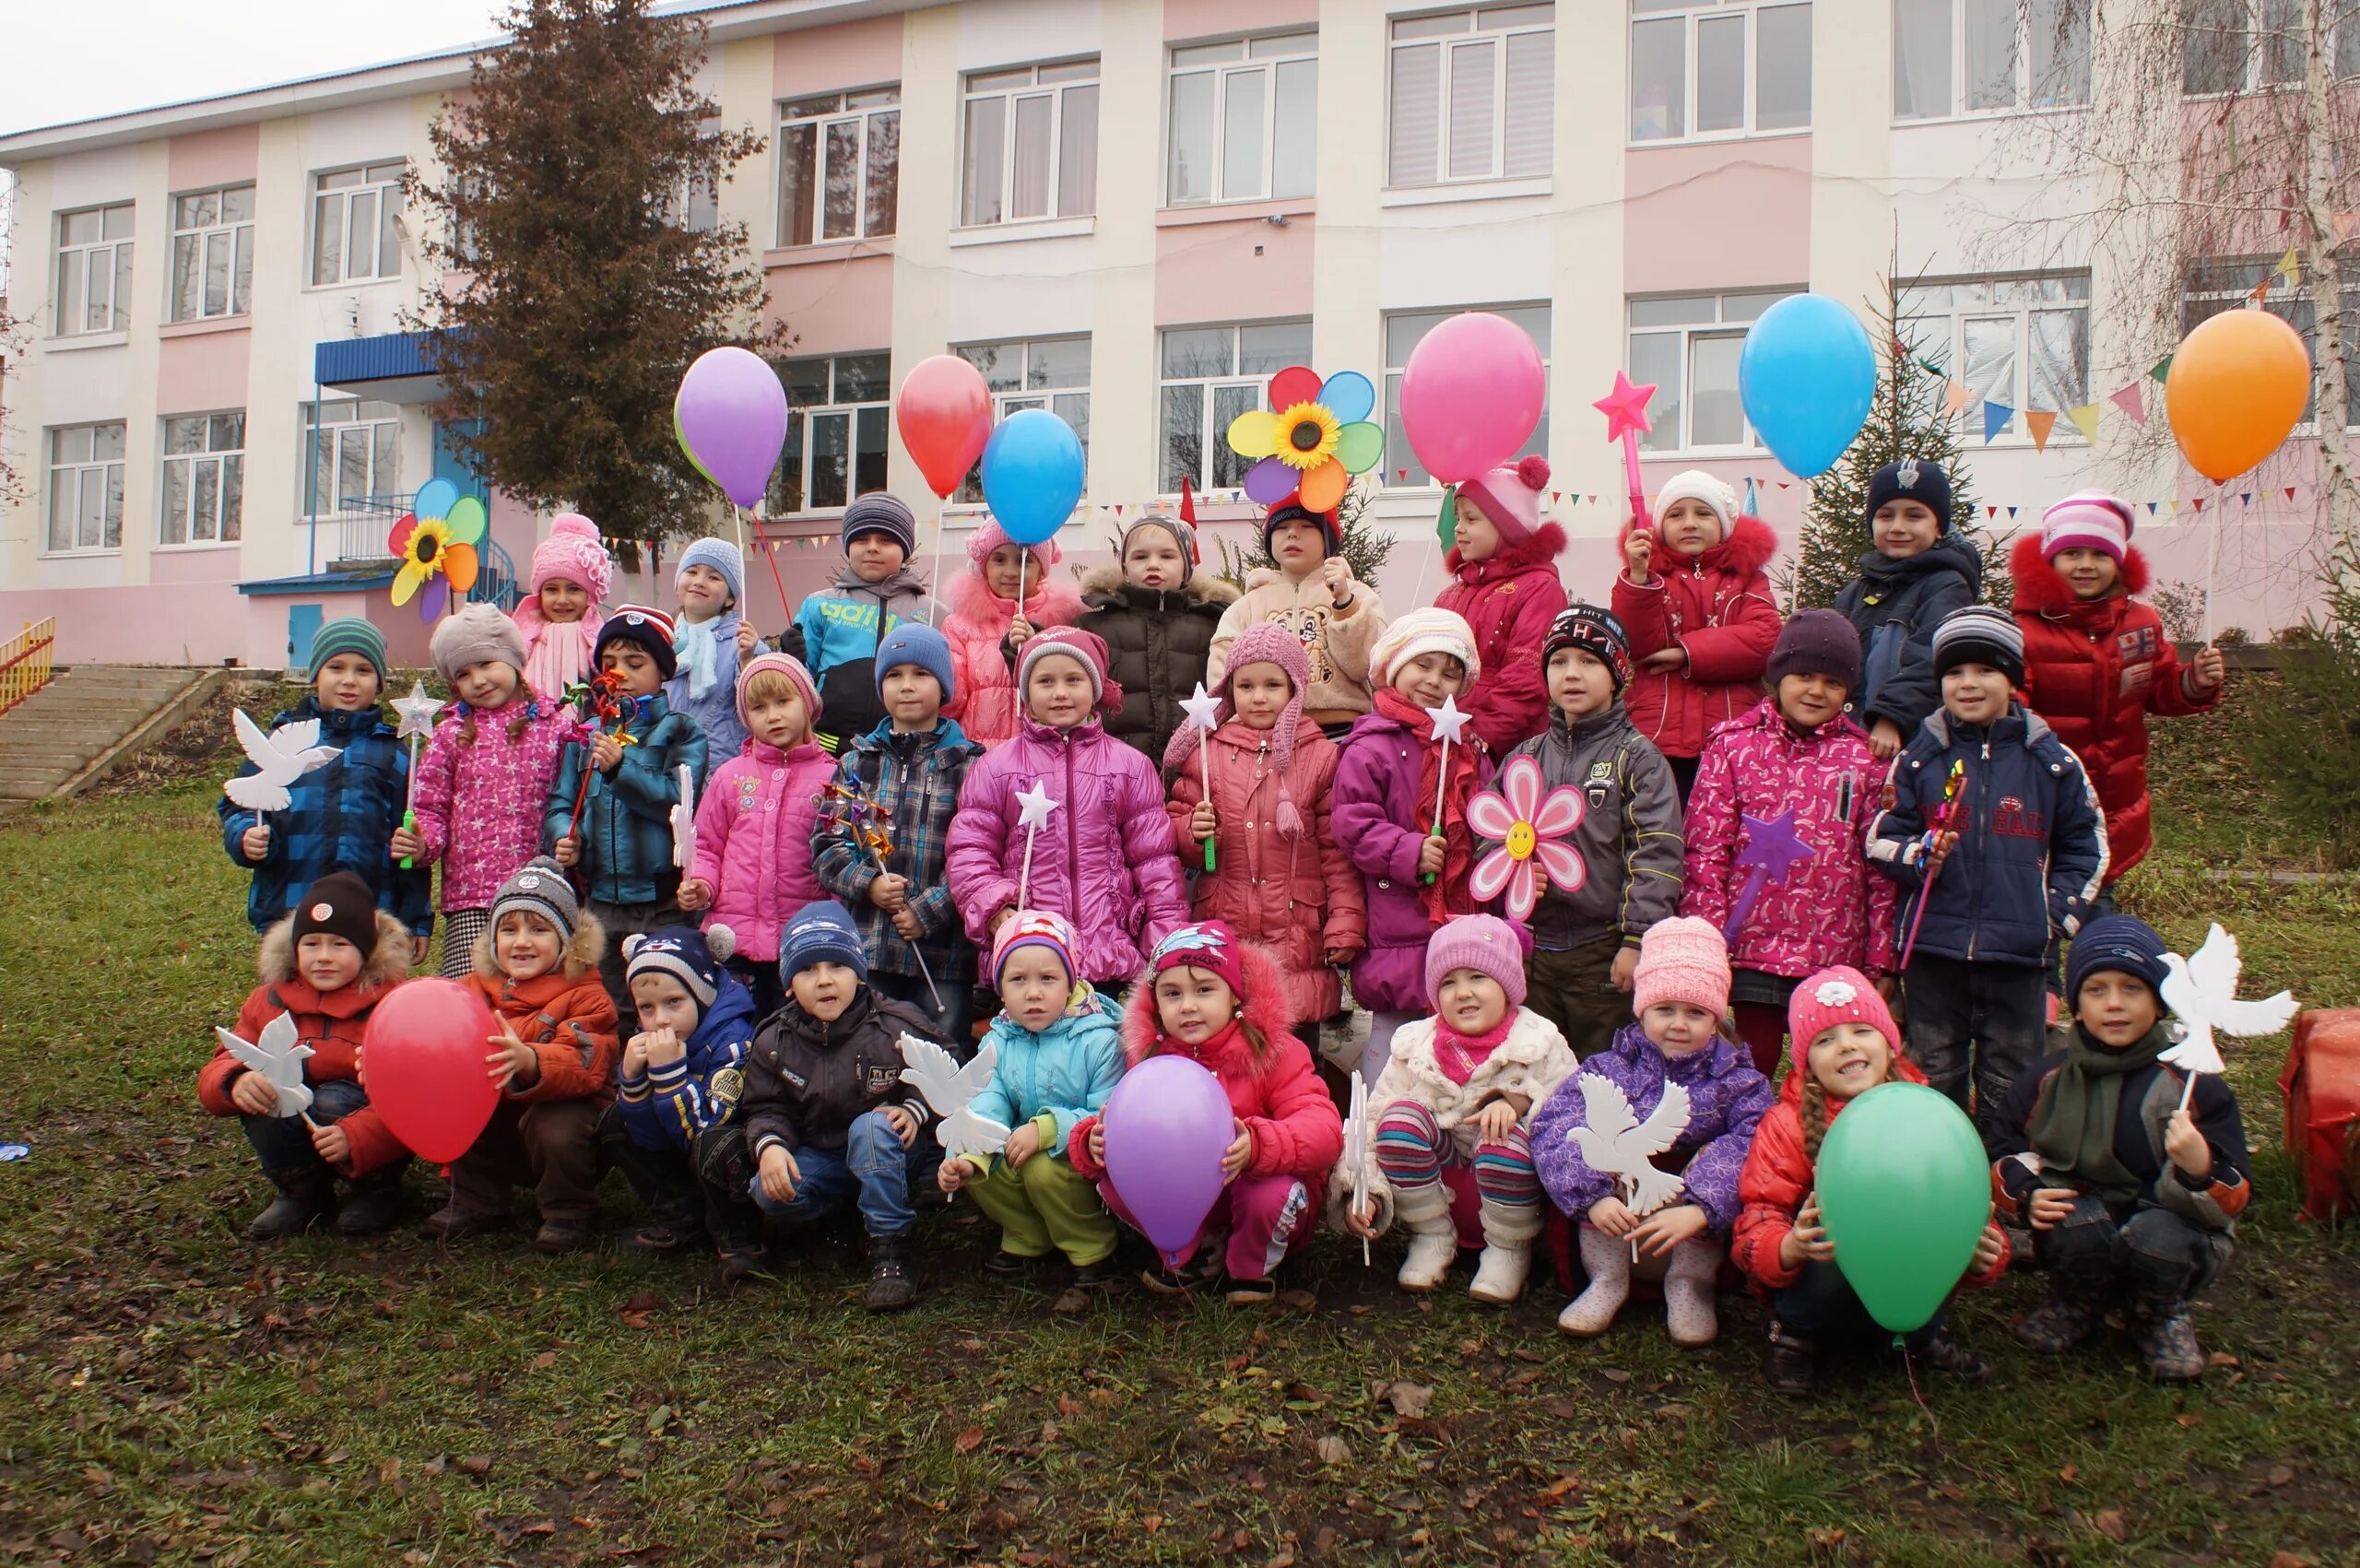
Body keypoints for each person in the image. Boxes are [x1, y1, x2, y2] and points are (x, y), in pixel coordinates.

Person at [1870, 606, 2107, 1146]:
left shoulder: (2051, 762)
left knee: (2014, 1073)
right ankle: (1937, 1163)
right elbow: (1880, 838)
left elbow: (2087, 844)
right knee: (1934, 1068)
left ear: (2013, 679)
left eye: (1985, 671)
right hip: (1935, 951)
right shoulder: (1919, 759)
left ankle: (2004, 1172)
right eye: (1954, 673)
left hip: (2020, 955)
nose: (1968, 684)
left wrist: (2053, 917)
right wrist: (1919, 854)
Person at [1992, 917, 2252, 1382]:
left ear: (2160, 1000)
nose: (2114, 1004)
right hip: (2085, 1223)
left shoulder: (2191, 1083)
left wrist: (2201, 1168)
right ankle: (2076, 1301)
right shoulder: (2049, 1077)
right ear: (2076, 1002)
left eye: (2132, 988)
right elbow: (2002, 1148)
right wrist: (2028, 1193)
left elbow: (2234, 1192)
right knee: (2073, 1218)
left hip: (2168, 1226)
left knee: (2160, 1236)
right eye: (2097, 990)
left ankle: (2158, 1314)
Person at [1730, 968, 2009, 1397]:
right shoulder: (1786, 1125)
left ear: (1889, 1044)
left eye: (1861, 1030)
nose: (1846, 1046)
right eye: (1825, 1040)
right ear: (1806, 1061)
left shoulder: (1929, 1116)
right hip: (1823, 1286)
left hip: (1909, 1282)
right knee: (1834, 1218)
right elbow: (1758, 1216)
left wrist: (1983, 1253)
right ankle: (1794, 1337)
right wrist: (1788, 1247)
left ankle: (1921, 1334)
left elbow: (1964, 1204)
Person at [2011, 492, 2226, 989]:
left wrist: (2196, 681)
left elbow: (2160, 689)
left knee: (2096, 902)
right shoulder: (2024, 629)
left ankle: (2105, 999)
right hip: (2040, 799)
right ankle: (2037, 1013)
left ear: (2119, 560)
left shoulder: (2142, 625)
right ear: (2049, 559)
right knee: (2035, 906)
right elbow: (2012, 707)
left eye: (2100, 554)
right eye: (2072, 553)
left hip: (2112, 800)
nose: (2086, 565)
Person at [1069, 922, 1342, 1303]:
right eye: (1172, 993)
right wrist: (1093, 1143)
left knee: (1266, 1192)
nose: (1188, 1006)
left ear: (1234, 995)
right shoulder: (1150, 1059)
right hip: (1194, 1204)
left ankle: (1251, 1268)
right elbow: (1128, 1126)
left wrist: (1261, 1146)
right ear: (1157, 1004)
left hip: (1259, 1196)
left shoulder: (1275, 1053)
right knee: (1114, 1181)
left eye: (1204, 990)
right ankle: (1190, 1252)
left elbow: (1325, 1130)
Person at [1534, 917, 1774, 1345]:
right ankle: (1606, 1280)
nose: (1679, 1024)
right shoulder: (1608, 1068)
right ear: (1643, 1009)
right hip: (1616, 1220)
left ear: (1717, 1017)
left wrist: (1702, 1206)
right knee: (1597, 1142)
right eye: (1665, 1009)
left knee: (1713, 1157)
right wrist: (1592, 1197)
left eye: (1696, 1012)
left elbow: (1753, 1142)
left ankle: (1689, 1285)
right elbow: (1556, 1125)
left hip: (1690, 1227)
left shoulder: (1740, 1082)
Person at [1680, 610, 1896, 1076]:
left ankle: (1814, 1145)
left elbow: (1880, 867)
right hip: (1749, 948)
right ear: (1778, 676)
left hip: (1832, 953)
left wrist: (1880, 961)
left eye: (1832, 682)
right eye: (1803, 676)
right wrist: (1708, 938)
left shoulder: (1863, 758)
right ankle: (1752, 1145)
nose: (1816, 691)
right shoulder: (1733, 747)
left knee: (1820, 1074)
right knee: (1751, 1068)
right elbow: (1706, 849)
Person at [1339, 914, 1576, 1303]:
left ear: (1508, 984)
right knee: (1399, 1117)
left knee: (1504, 1136)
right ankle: (1430, 1235)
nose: (1462, 992)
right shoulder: (1414, 1045)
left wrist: (1519, 1100)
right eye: (1448, 982)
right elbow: (1373, 1116)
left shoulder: (1540, 1042)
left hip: (1510, 1183)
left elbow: (1572, 1110)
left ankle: (1508, 1250)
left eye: (1478, 977)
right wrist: (1363, 1189)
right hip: (1442, 1176)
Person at [1485, 605, 1683, 1060]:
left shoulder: (1638, 758)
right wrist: (1510, 870)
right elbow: (1489, 833)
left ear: (1616, 675)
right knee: (1536, 1070)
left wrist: (1636, 940)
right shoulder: (1525, 756)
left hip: (1603, 952)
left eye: (1589, 661)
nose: (1572, 674)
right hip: (1532, 950)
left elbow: (1657, 854)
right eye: (1559, 661)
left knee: (1602, 1073)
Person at [944, 626, 1189, 992]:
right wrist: (995, 909)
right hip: (1029, 956)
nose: (1060, 693)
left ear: (1096, 686)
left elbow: (1156, 864)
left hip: (1113, 953)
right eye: (1045, 681)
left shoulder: (1131, 766)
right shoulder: (995, 767)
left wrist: (1164, 947)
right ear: (1026, 692)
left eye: (1074, 679)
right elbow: (970, 850)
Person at [1161, 620, 1365, 1056]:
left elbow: (1336, 852)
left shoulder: (1321, 756)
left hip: (1297, 935)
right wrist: (1192, 832)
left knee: (1294, 1054)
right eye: (1245, 685)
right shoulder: (1207, 752)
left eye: (1272, 685)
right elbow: (1176, 830)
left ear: (1294, 689)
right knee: (1232, 1049)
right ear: (1228, 689)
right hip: (1227, 919)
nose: (1258, 697)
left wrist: (1344, 921)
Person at [743, 902, 952, 1311]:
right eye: (807, 970)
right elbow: (765, 1106)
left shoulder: (896, 1023)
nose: (824, 981)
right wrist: (769, 1146)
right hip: (823, 1154)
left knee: (869, 1129)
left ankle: (891, 1249)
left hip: (889, 1153)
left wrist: (914, 1110)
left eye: (837, 966)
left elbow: (947, 1070)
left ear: (858, 972)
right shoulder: (774, 1039)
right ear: (788, 984)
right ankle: (839, 1219)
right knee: (767, 1191)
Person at [195, 872, 415, 1239]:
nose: (324, 957)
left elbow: (411, 1096)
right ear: (295, 948)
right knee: (267, 1096)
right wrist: (236, 1081)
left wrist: (356, 1136)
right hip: (298, 1122)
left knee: (332, 1099)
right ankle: (301, 1191)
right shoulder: (268, 1000)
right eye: (311, 944)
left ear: (367, 951)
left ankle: (376, 1190)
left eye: (340, 944)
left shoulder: (395, 1006)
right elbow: (223, 1060)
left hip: (361, 1123)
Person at [1332, 609, 1493, 1082]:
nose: (1433, 681)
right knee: (1393, 1043)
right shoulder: (1371, 744)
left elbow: (1487, 819)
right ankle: (1372, 1129)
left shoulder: (1468, 750)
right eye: (1423, 665)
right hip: (1396, 922)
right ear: (1395, 666)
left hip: (1457, 916)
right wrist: (1407, 850)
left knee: (1456, 1038)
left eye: (1449, 672)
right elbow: (1352, 822)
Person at [427, 856, 619, 1253]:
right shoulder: (471, 991)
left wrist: (533, 1061)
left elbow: (587, 1064)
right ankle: (479, 1200)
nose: (522, 941)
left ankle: (568, 1208)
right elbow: (434, 1042)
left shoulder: (589, 995)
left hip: (565, 1133)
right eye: (509, 929)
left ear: (567, 941)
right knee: (459, 1099)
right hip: (502, 1128)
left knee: (559, 1120)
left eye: (539, 929)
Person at [218, 617, 431, 961]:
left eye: (363, 670)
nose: (349, 680)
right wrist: (244, 835)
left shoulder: (394, 752)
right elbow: (240, 804)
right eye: (336, 667)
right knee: (291, 997)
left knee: (365, 1003)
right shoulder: (282, 741)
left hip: (370, 907)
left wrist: (417, 920)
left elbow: (407, 842)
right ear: (315, 675)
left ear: (378, 683)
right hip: (290, 904)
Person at [812, 623, 985, 1046]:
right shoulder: (856, 763)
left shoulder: (970, 765)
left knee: (943, 1058)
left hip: (942, 956)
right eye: (894, 675)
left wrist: (929, 911)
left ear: (943, 686)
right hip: (871, 948)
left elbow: (981, 855)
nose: (907, 686)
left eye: (921, 674)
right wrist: (868, 884)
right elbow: (826, 845)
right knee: (867, 1052)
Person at [938, 910, 1126, 1290]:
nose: (1034, 992)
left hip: (1084, 1156)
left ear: (1071, 982)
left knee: (1042, 1168)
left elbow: (1113, 1115)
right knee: (977, 1158)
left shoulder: (1100, 1040)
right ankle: (1028, 1234)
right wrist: (968, 1151)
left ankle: (1092, 1245)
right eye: (1018, 980)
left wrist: (1050, 1129)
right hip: (1022, 1147)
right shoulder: (998, 1040)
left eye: (1048, 979)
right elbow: (989, 1097)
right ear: (1001, 988)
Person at [544, 607, 710, 1018]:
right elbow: (562, 804)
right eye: (609, 663)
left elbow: (677, 803)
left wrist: (621, 768)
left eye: (635, 664)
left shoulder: (681, 730)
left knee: (666, 1005)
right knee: (609, 1008)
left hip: (663, 902)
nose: (619, 673)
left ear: (663, 672)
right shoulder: (584, 734)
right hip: (601, 902)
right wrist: (568, 836)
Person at [396, 604, 572, 978]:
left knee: (537, 989)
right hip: (471, 894)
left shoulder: (554, 726)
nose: (478, 680)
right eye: (463, 673)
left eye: (487, 664)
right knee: (470, 990)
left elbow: (571, 798)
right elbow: (430, 806)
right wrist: (422, 839)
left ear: (513, 660)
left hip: (539, 888)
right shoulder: (448, 734)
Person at [603, 922, 763, 1277]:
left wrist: (670, 1075)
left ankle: (740, 1236)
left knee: (716, 1144)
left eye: (674, 1002)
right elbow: (648, 1137)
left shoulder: (735, 1041)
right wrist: (632, 1082)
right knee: (616, 1121)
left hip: (727, 1150)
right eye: (646, 1008)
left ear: (702, 994)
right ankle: (680, 1218)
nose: (660, 1019)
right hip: (683, 1141)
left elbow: (705, 1128)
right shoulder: (658, 1036)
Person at [679, 653, 833, 1020]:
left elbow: (838, 858)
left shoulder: (834, 778)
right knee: (734, 1030)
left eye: (783, 701)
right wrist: (701, 884)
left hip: (800, 938)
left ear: (808, 704)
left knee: (794, 1034)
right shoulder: (729, 775)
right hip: (732, 939)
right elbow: (706, 846)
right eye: (759, 707)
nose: (773, 715)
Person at [1613, 471, 1781, 799]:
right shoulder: (1648, 577)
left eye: (1703, 513)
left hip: (1734, 734)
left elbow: (1765, 639)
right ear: (1660, 527)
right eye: (1676, 515)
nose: (1689, 523)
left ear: (1724, 526)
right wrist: (1637, 575)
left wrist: (1684, 652)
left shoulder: (1747, 579)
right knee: (1659, 830)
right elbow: (1634, 642)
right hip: (1657, 736)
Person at [1833, 458, 1984, 760]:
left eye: (1914, 516)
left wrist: (1890, 716)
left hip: (1912, 742)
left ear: (1939, 528)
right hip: (1850, 737)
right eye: (1886, 515)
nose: (1898, 527)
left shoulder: (1947, 586)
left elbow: (1931, 658)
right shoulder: (1856, 592)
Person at [1208, 500, 1386, 738]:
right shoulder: (1247, 607)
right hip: (1267, 736)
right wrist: (1236, 727)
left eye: (1306, 525)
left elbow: (1365, 666)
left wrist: (1345, 604)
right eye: (1281, 528)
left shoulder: (1359, 596)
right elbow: (1223, 674)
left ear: (1327, 537)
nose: (1292, 533)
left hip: (1341, 733)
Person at [1076, 508, 1239, 763]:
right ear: (1125, 569)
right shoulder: (1095, 625)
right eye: (1140, 557)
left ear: (1186, 568)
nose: (1153, 564)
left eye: (1167, 556)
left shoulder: (1215, 625)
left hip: (1197, 767)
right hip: (1117, 766)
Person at [783, 491, 942, 752]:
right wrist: (790, 659)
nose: (872, 547)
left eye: (886, 540)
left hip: (903, 752)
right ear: (847, 547)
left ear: (905, 548)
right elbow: (795, 682)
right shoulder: (819, 604)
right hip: (830, 749)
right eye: (861, 539)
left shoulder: (933, 612)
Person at [1434, 455, 1567, 754]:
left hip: (1501, 748)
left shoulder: (1540, 588)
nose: (1458, 529)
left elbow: (1527, 676)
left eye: (1471, 519)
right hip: (1444, 740)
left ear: (1507, 525)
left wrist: (1480, 735)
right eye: (1458, 519)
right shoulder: (1452, 594)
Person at [943, 516, 1084, 750]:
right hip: (978, 754)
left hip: (1043, 754)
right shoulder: (960, 626)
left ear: (1041, 570)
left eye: (1022, 561)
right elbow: (950, 703)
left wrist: (1036, 650)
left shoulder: (1062, 622)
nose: (1010, 572)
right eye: (999, 559)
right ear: (984, 566)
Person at [667, 537, 762, 762]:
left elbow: (760, 703)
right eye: (692, 572)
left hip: (719, 768)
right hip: (663, 767)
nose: (699, 582)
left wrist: (747, 661)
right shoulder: (661, 638)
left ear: (730, 597)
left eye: (714, 577)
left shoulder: (744, 643)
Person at [513, 513, 612, 704]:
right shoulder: (523, 639)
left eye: (574, 589)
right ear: (539, 594)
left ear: (589, 597)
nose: (562, 599)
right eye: (551, 589)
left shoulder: (601, 641)